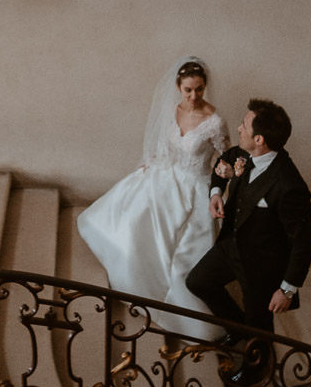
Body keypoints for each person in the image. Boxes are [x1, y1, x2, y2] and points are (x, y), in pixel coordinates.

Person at [77, 57, 231, 339]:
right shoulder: (174, 110)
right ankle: (136, 279)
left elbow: (226, 157)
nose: (194, 96)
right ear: (178, 87)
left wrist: (223, 174)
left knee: (184, 251)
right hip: (169, 174)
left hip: (196, 186)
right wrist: (154, 162)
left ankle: (182, 311)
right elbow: (167, 145)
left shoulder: (215, 121)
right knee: (137, 212)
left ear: (205, 87)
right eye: (188, 90)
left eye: (199, 89)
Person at [186, 98, 311, 386]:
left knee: (261, 325)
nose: (239, 128)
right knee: (198, 282)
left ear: (259, 139)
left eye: (244, 125)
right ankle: (238, 326)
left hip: (262, 266)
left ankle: (256, 370)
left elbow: (305, 240)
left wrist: (287, 289)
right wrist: (216, 192)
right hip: (230, 245)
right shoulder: (243, 154)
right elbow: (224, 161)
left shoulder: (289, 185)